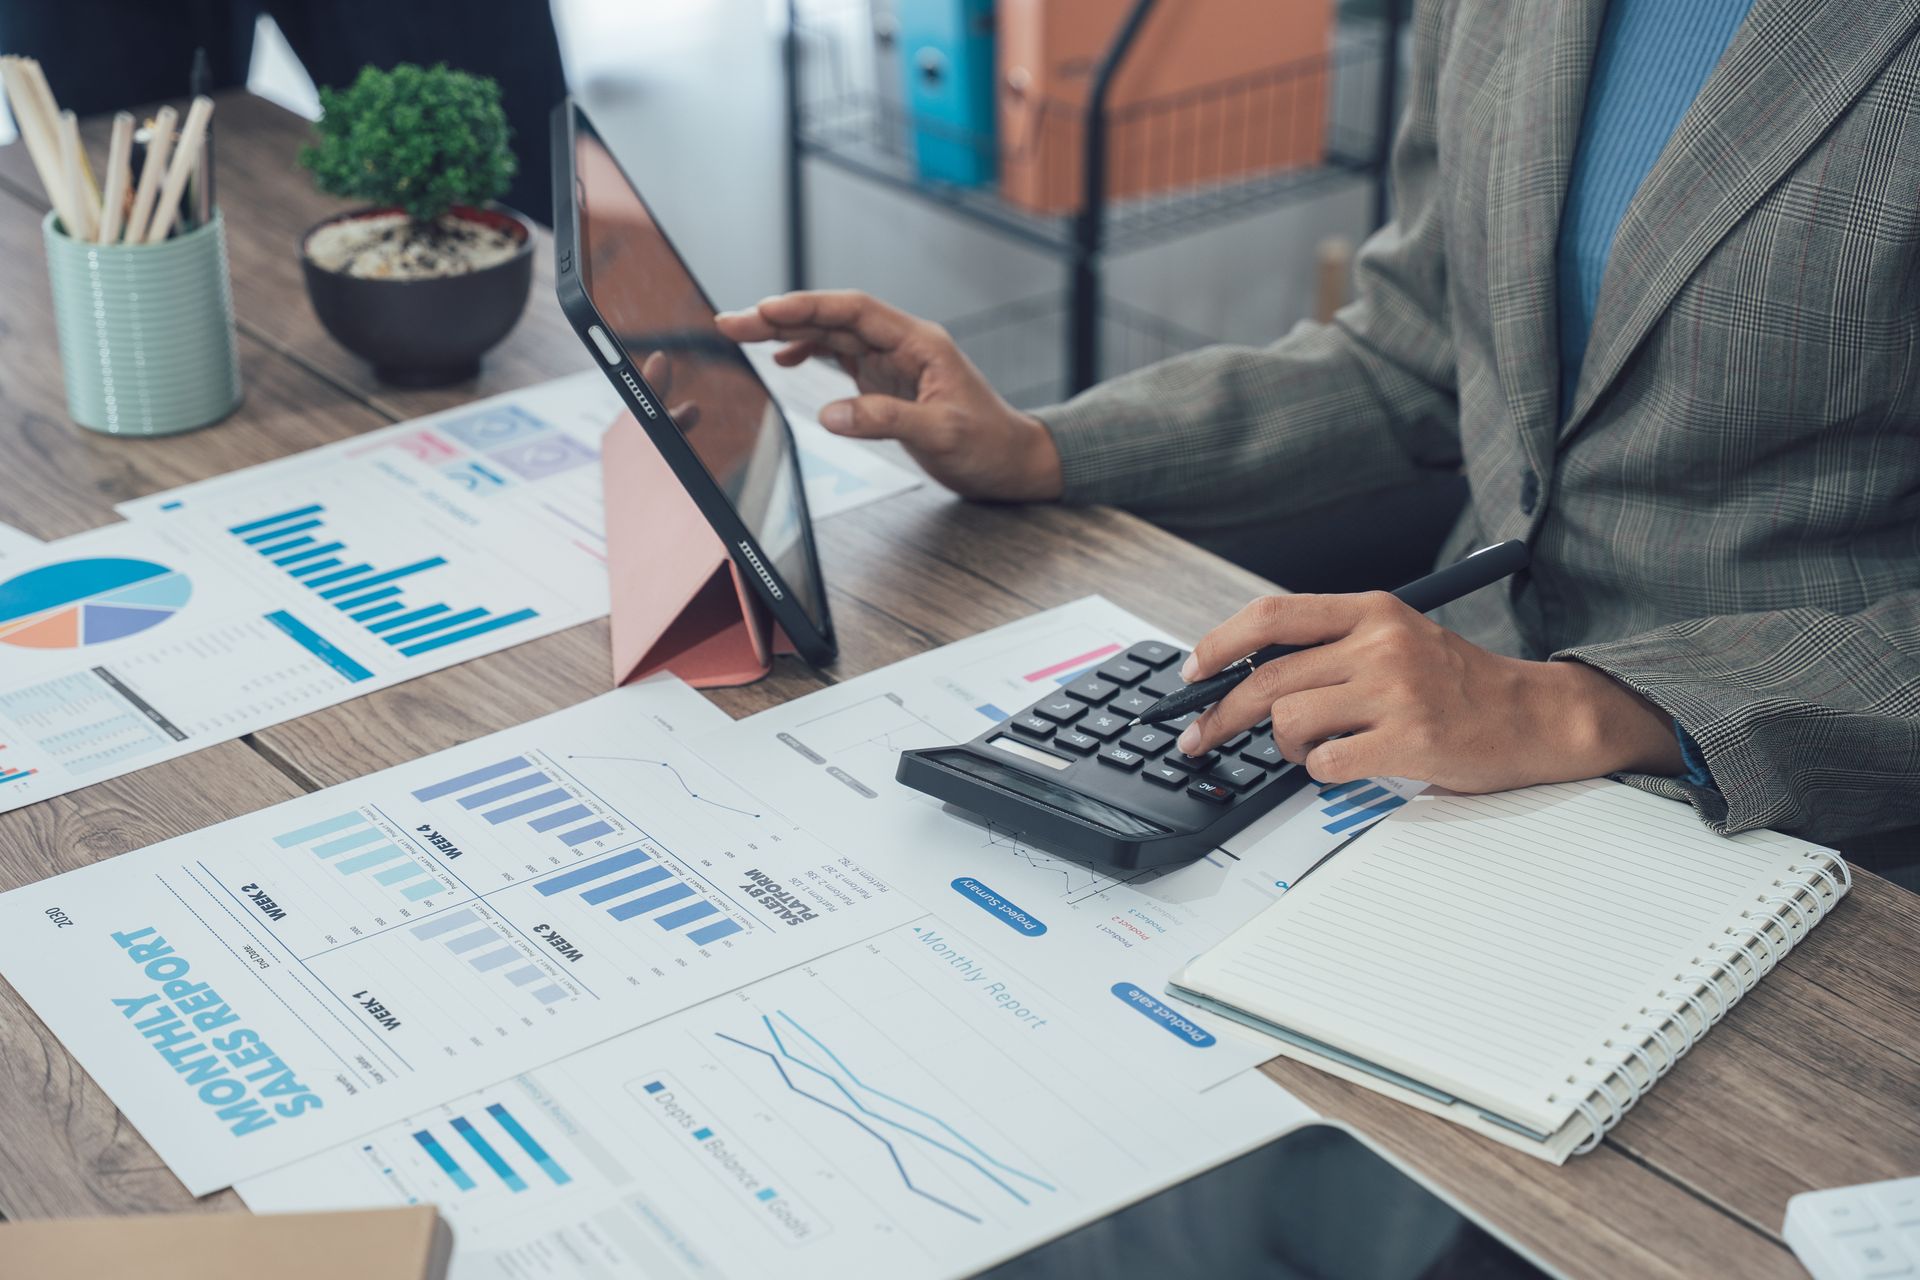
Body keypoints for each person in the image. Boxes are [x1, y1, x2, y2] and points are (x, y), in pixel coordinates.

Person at [716, 0, 1920, 868]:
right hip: (1448, 763)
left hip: (1809, 823)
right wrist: (1046, 448)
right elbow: (1415, 353)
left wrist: (1582, 708)